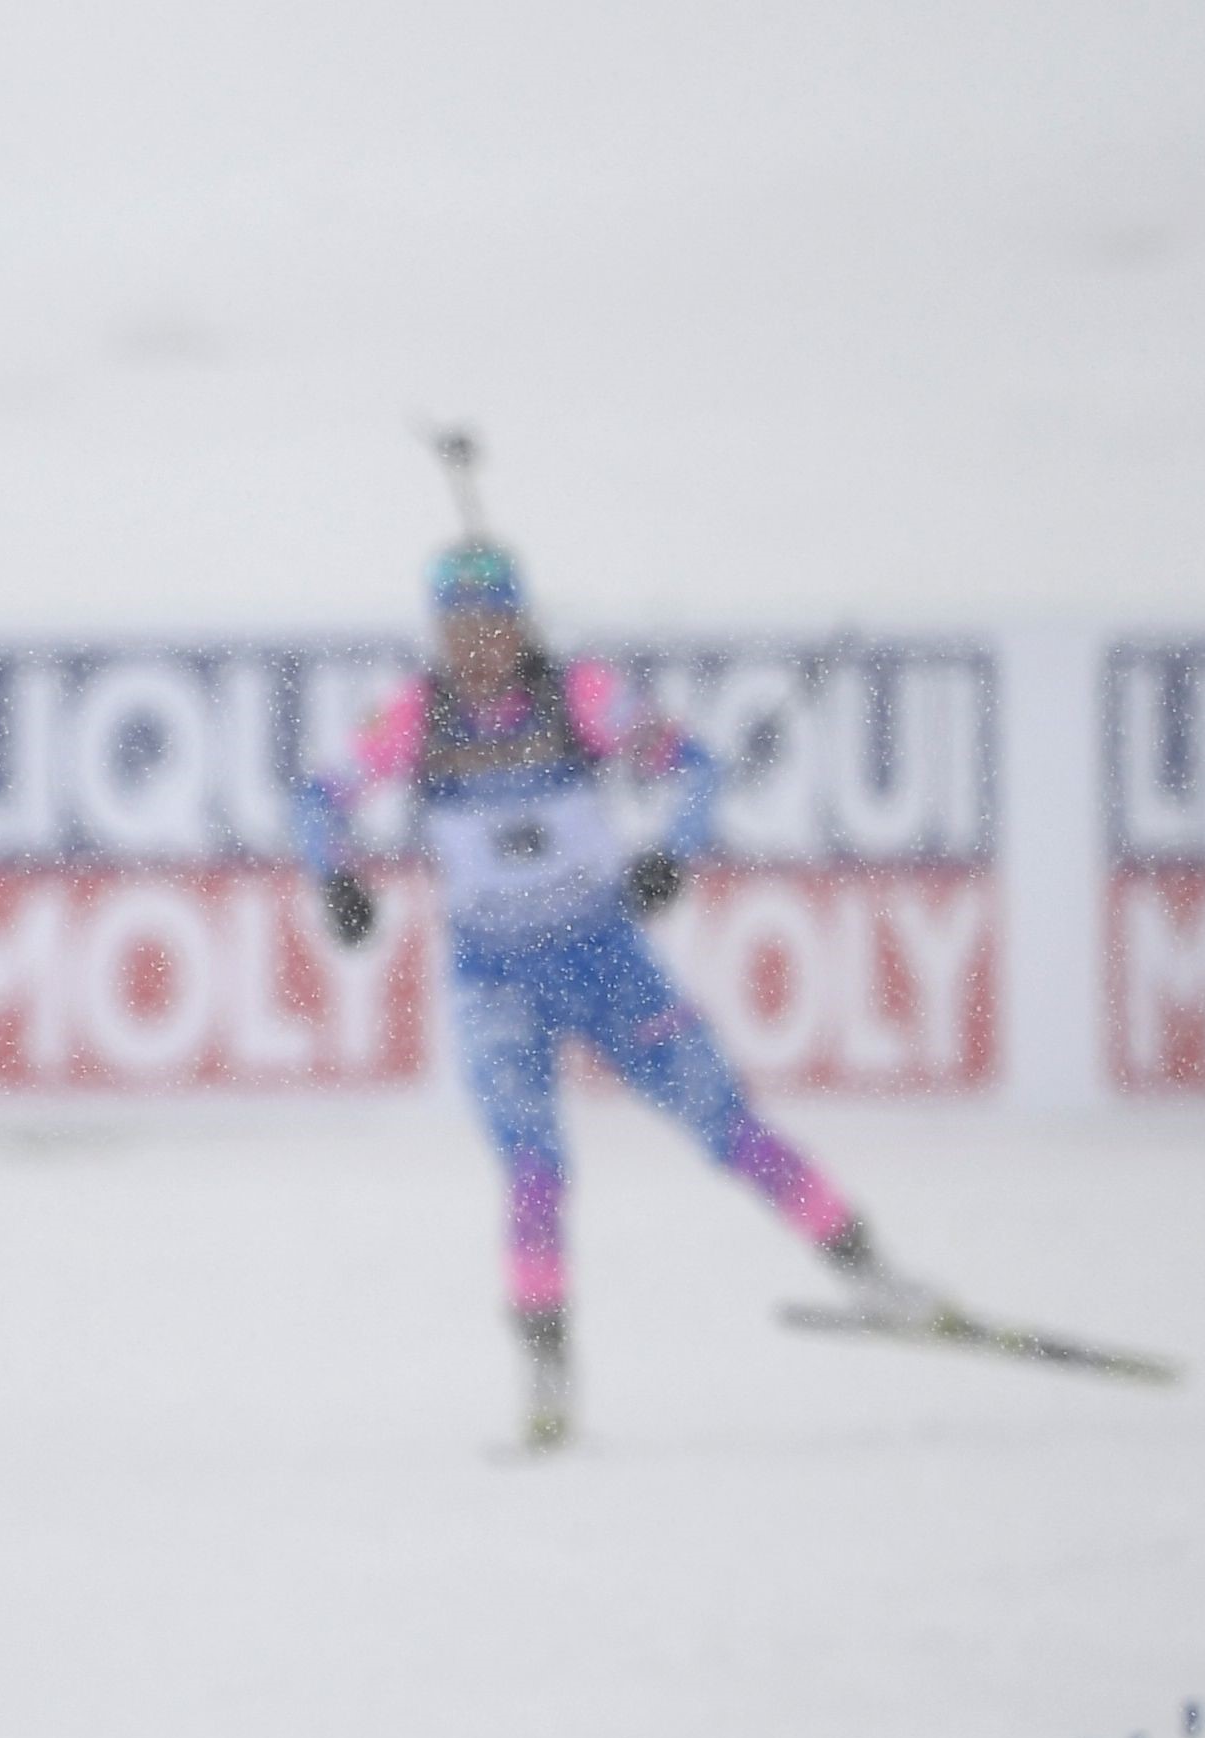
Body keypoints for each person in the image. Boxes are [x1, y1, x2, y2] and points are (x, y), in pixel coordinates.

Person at [297, 542, 940, 1448]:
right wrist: (337, 879)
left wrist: (671, 853)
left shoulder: (582, 697)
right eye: (457, 628)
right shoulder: (415, 717)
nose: (475, 646)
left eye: (491, 624)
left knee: (728, 1127)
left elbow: (697, 769)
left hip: (604, 960)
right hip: (495, 982)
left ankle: (869, 1272)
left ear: (519, 622)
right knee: (535, 1169)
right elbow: (318, 799)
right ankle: (548, 1373)